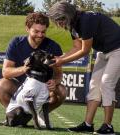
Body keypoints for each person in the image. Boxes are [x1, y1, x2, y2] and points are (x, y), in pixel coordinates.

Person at [48, 1, 120, 134]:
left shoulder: (86, 20)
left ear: (67, 15)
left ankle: (108, 126)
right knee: (94, 86)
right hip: (103, 52)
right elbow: (76, 47)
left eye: (60, 19)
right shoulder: (73, 25)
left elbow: (84, 50)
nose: (59, 23)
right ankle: (87, 124)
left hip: (117, 50)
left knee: (106, 84)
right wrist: (59, 58)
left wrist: (61, 62)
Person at [0, 12, 66, 126]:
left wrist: (55, 82)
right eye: (36, 31)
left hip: (43, 87)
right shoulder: (16, 43)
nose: (40, 35)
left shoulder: (53, 46)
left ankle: (40, 115)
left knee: (61, 91)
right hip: (20, 88)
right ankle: (16, 115)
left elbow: (59, 74)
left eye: (43, 32)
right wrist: (25, 68)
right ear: (27, 28)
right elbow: (6, 72)